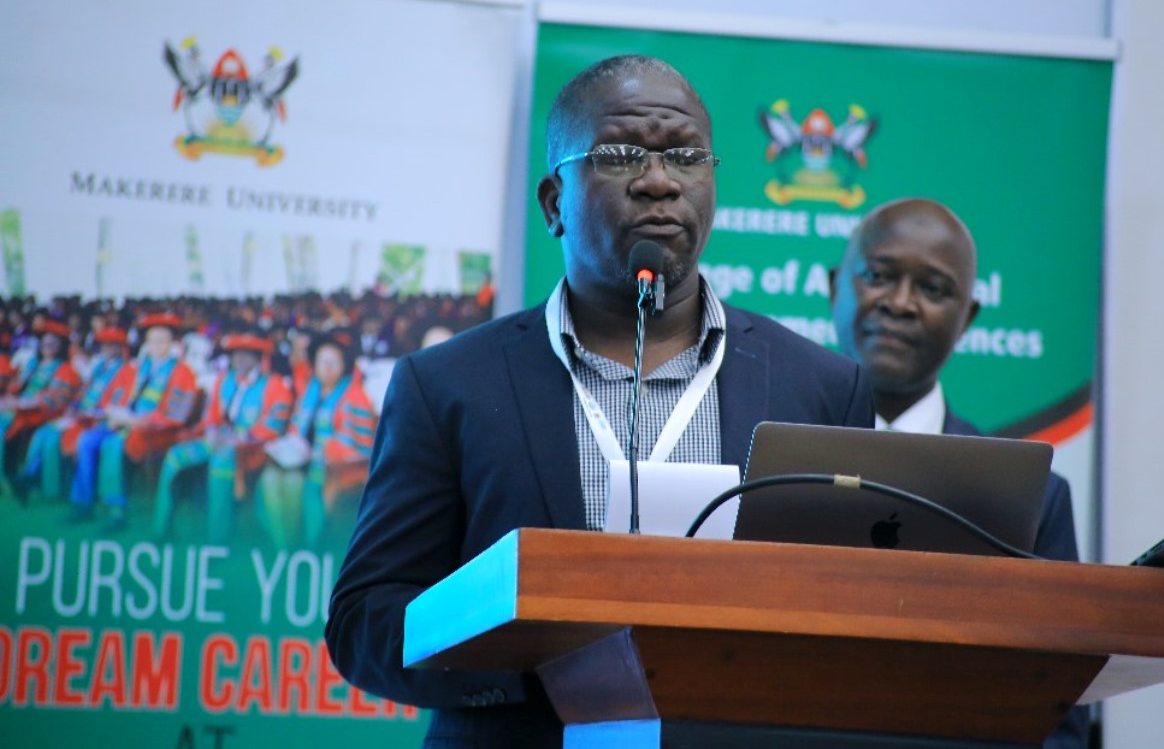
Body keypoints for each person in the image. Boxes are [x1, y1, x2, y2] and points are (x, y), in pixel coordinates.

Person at [325, 55, 876, 747]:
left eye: (686, 156)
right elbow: (366, 619)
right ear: (555, 202)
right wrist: (534, 663)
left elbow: (864, 613)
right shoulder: (448, 387)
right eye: (620, 155)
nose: (658, 180)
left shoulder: (821, 387)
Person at [829, 197, 1088, 749]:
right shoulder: (759, 459)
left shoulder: (1033, 496)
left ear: (967, 317)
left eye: (934, 289)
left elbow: (1057, 715)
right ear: (834, 287)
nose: (900, 303)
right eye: (878, 276)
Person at [152, 332, 293, 543]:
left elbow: (273, 427)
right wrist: (211, 432)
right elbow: (211, 417)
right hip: (218, 441)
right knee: (175, 456)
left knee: (222, 461)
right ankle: (161, 528)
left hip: (250, 449)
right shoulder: (223, 381)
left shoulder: (275, 385)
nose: (239, 360)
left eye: (246, 355)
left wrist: (241, 438)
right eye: (236, 354)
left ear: (257, 357)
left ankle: (218, 539)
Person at [68, 312, 199, 532]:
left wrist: (137, 420)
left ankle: (116, 510)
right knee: (87, 439)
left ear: (173, 343)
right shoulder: (138, 368)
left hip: (158, 433)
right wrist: (116, 415)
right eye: (152, 341)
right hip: (128, 426)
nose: (156, 346)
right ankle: (84, 503)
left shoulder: (183, 371)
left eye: (161, 341)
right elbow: (119, 397)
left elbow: (178, 416)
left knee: (113, 444)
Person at [257, 329, 376, 549]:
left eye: (333, 362)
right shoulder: (310, 390)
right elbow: (296, 428)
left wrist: (322, 451)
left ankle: (303, 545)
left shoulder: (354, 395)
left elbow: (359, 446)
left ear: (344, 364)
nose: (327, 367)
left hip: (331, 469)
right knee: (269, 479)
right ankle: (282, 544)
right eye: (322, 361)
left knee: (293, 483)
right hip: (301, 461)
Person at [12, 326, 133, 504]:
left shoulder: (126, 371)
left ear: (120, 347)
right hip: (82, 415)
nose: (107, 348)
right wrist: (74, 407)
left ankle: (40, 481)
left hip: (99, 420)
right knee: (45, 432)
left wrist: (89, 413)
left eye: (111, 345)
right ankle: (32, 476)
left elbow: (118, 402)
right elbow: (83, 392)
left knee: (56, 437)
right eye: (104, 345)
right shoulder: (99, 367)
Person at [0, 320, 82, 485]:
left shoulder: (66, 369)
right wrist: (9, 398)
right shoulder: (33, 364)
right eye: (44, 342)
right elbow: (17, 386)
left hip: (43, 413)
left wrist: (20, 403)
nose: (47, 346)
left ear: (62, 346)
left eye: (53, 343)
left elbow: (56, 400)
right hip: (21, 408)